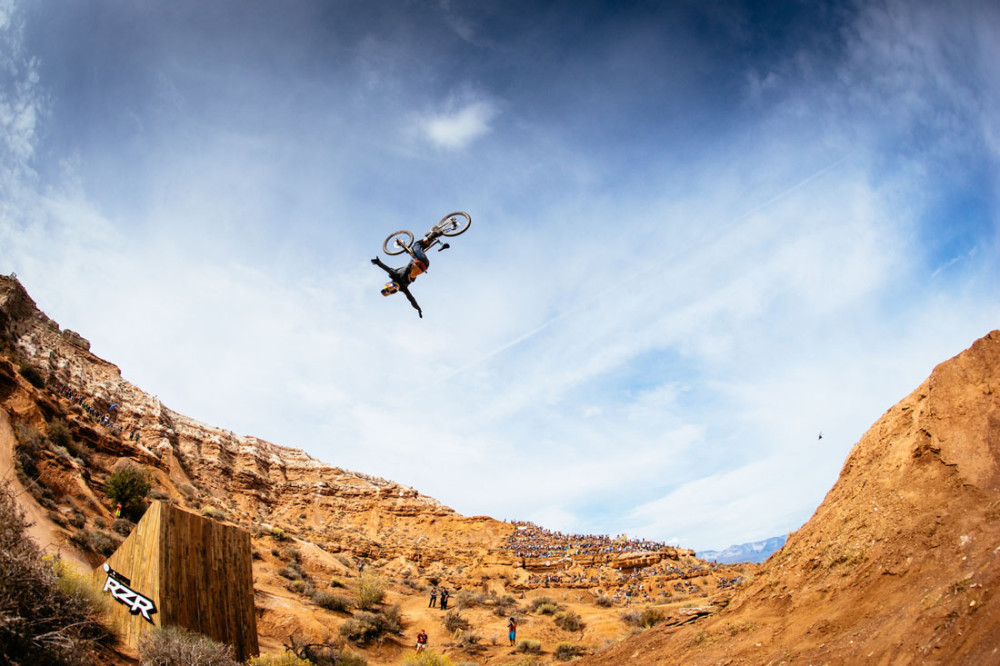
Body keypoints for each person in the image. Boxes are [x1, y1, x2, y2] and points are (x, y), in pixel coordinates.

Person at [371, 235, 434, 318]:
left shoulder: (397, 281)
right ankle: (434, 234)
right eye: (393, 290)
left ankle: (433, 238)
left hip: (424, 265)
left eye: (391, 288)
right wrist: (418, 308)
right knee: (416, 244)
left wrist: (379, 263)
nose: (394, 288)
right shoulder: (401, 285)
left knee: (420, 247)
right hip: (419, 261)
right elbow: (411, 299)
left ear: (389, 284)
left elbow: (387, 269)